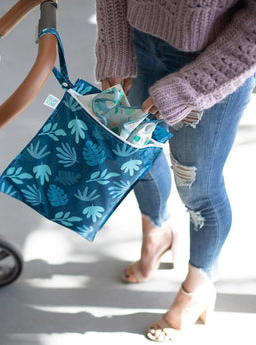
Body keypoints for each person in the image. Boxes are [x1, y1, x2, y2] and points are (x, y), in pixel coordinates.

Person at [95, 0, 256, 342]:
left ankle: (197, 288)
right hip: (136, 41)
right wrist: (113, 41)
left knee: (198, 188)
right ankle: (156, 232)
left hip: (213, 63)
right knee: (137, 152)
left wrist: (192, 88)